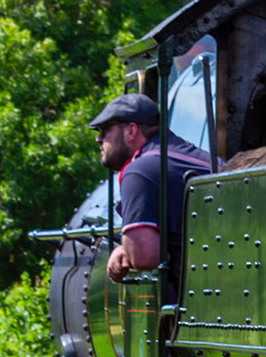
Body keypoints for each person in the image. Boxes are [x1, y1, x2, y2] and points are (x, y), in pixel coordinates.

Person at [90, 92, 213, 282]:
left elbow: (144, 255)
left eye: (105, 129)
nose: (99, 139)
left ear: (131, 130)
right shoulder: (195, 157)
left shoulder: (139, 171)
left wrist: (124, 251)